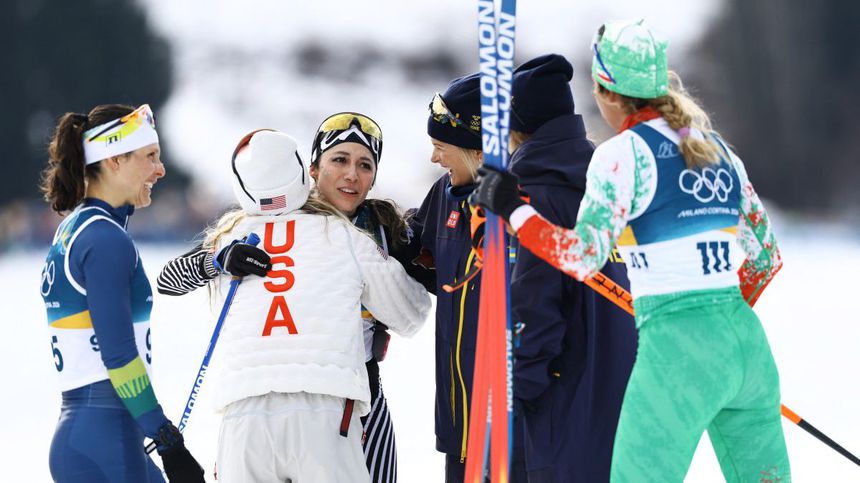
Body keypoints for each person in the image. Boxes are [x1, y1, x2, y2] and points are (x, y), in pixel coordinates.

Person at [472, 19, 790, 482]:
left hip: (675, 351)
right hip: (747, 348)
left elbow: (581, 256)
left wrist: (513, 209)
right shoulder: (718, 149)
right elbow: (766, 259)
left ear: (607, 92)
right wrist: (719, 324)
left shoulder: (622, 155)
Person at [157, 113, 428, 483]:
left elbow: (415, 302)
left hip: (361, 389)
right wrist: (216, 261)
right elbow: (168, 280)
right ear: (312, 170)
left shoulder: (384, 228)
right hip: (319, 403)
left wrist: (417, 264)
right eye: (340, 160)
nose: (351, 173)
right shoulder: (269, 216)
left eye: (364, 165)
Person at [39, 103, 205, 482]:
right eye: (150, 157)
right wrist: (166, 439)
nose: (160, 170)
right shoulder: (104, 238)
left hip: (100, 434)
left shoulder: (78, 228)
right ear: (113, 161)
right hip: (105, 439)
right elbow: (118, 355)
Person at [506, 54, 637, 482]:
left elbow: (536, 306)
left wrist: (519, 391)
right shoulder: (607, 186)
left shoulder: (537, 197)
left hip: (564, 411)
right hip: (625, 402)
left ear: (516, 127)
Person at [413, 73, 527, 482]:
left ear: (476, 151)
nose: (434, 159)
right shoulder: (444, 193)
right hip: (459, 421)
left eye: (440, 148)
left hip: (512, 429)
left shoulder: (521, 204)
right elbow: (420, 257)